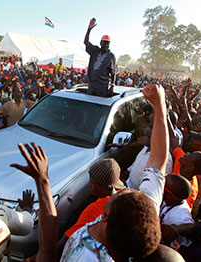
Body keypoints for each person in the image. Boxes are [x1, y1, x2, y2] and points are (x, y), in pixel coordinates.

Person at [61, 84, 170, 261]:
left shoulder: (86, 257)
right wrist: (159, 105)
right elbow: (158, 159)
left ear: (104, 216)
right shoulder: (145, 211)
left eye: (118, 193)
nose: (123, 189)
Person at [84, 18, 116, 97]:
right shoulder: (95, 50)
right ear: (100, 43)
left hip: (102, 87)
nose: (106, 45)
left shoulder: (111, 56)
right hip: (91, 85)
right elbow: (86, 42)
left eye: (107, 43)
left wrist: (112, 86)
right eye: (104, 43)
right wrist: (89, 30)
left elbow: (113, 73)